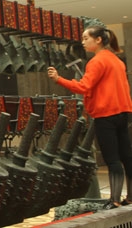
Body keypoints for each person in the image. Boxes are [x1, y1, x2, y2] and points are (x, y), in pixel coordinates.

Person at [48, 26, 132, 209]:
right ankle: (131, 197)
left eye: (86, 38)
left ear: (98, 40)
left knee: (112, 159)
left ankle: (115, 200)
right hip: (123, 112)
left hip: (105, 114)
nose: (83, 42)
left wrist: (58, 79)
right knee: (127, 156)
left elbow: (83, 87)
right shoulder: (117, 60)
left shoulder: (96, 62)